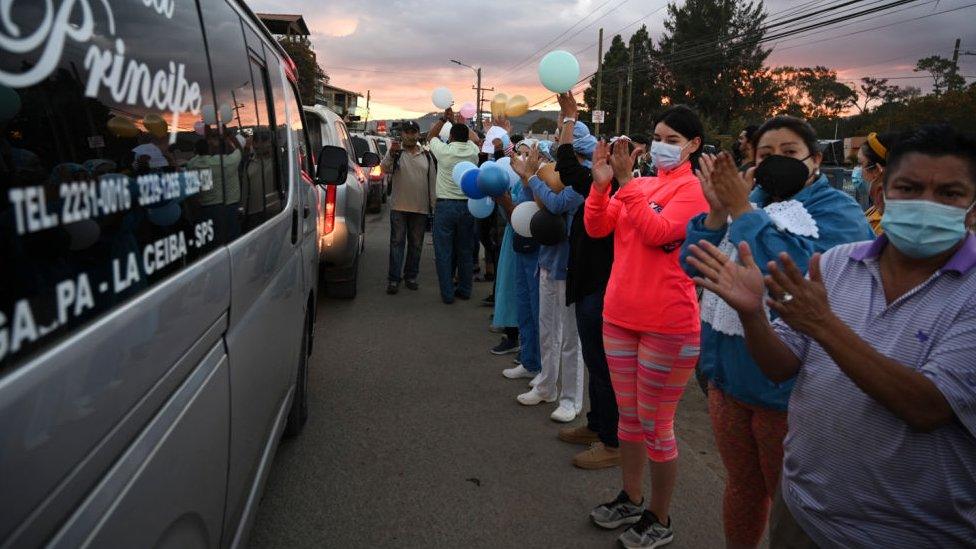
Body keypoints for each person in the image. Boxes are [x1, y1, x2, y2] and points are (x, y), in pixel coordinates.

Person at [686, 124, 976, 548]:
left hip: (914, 532)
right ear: (882, 193)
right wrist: (752, 315)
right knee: (744, 487)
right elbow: (783, 359)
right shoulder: (841, 264)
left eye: (949, 194)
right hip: (805, 509)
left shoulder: (834, 217)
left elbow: (927, 408)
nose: (924, 204)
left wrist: (822, 324)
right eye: (909, 188)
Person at [680, 115, 874, 549]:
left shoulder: (838, 212)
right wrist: (716, 211)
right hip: (726, 378)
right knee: (741, 487)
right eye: (766, 154)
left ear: (816, 159)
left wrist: (742, 211)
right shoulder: (747, 198)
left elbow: (793, 272)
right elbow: (693, 266)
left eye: (790, 153)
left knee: (790, 502)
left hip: (786, 389)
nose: (776, 162)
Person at [584, 105, 709, 549]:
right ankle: (632, 497)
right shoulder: (641, 184)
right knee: (630, 420)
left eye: (673, 139)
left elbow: (659, 233)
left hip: (667, 325)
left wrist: (623, 185)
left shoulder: (695, 190)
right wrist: (601, 189)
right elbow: (598, 227)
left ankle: (660, 515)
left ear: (693, 145)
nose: (661, 145)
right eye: (657, 136)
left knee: (658, 424)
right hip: (620, 317)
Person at [550, 92, 621, 469]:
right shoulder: (596, 185)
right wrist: (568, 120)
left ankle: (613, 441)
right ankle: (597, 425)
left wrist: (570, 120)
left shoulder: (630, 191)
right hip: (587, 283)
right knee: (596, 361)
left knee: (605, 364)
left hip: (605, 288)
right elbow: (565, 166)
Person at [513, 145, 585, 423]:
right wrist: (526, 177)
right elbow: (541, 203)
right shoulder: (553, 176)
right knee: (547, 329)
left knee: (570, 337)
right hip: (547, 262)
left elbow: (556, 204)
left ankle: (570, 399)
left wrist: (531, 177)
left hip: (569, 267)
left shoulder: (583, 182)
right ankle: (546, 385)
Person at [426, 109, 481, 304]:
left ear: (450, 136)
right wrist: (463, 123)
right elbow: (477, 141)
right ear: (466, 136)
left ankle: (447, 293)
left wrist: (444, 119)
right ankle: (465, 290)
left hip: (446, 206)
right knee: (465, 249)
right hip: (468, 206)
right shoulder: (474, 151)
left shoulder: (444, 151)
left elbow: (430, 136)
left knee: (444, 251)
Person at [381, 121, 436, 294]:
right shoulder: (396, 153)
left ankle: (411, 276)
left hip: (420, 208)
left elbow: (432, 182)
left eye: (414, 132)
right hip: (399, 206)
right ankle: (393, 279)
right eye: (407, 132)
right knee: (397, 243)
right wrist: (391, 153)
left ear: (418, 134)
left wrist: (433, 205)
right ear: (402, 134)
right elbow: (384, 168)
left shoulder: (426, 155)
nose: (410, 135)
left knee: (416, 244)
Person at [857, 131, 897, 235]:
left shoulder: (885, 224)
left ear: (877, 170)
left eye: (861, 164)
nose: (858, 172)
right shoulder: (875, 209)